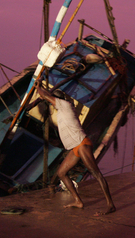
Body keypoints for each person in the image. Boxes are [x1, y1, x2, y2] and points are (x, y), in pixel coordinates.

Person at [35, 80, 116, 215]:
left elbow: (45, 96)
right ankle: (78, 201)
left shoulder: (64, 105)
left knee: (97, 174)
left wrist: (38, 87)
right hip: (75, 148)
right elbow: (47, 95)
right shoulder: (62, 107)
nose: (52, 103)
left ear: (57, 100)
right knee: (61, 173)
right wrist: (43, 89)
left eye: (53, 100)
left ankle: (110, 205)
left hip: (82, 144)